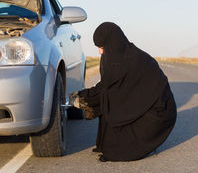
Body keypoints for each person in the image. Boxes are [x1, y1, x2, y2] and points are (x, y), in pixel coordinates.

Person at [69, 22, 177, 162]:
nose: (100, 52)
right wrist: (83, 96)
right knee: (109, 100)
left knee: (110, 102)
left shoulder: (131, 60)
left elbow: (107, 91)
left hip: (158, 114)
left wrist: (82, 98)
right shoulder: (121, 56)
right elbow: (107, 88)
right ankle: (107, 143)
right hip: (145, 106)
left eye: (102, 47)